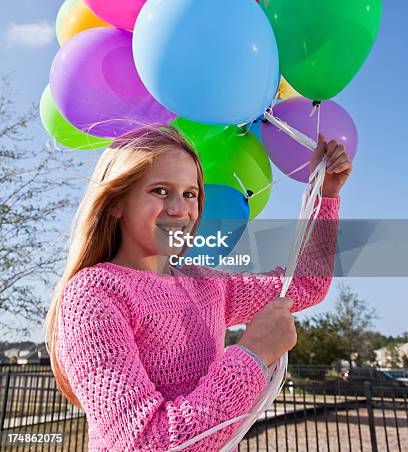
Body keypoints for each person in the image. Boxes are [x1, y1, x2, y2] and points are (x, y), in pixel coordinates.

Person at [45, 124, 352, 451]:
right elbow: (144, 443)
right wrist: (253, 354)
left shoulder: (208, 285)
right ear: (117, 202)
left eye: (190, 194)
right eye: (161, 190)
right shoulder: (94, 295)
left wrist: (325, 195)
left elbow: (307, 283)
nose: (179, 209)